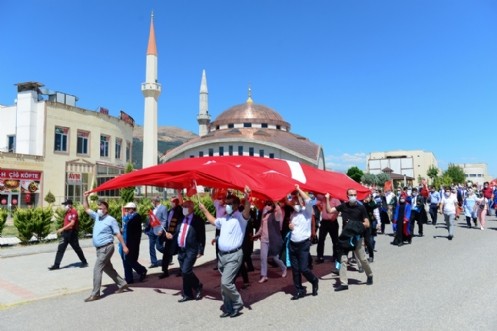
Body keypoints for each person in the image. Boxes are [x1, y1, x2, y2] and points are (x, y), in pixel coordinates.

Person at [199, 186, 251, 318]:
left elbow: (246, 210)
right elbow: (213, 221)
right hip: (222, 256)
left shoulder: (241, 218)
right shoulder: (225, 219)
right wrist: (204, 210)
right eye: (226, 203)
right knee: (224, 284)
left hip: (234, 255)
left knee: (226, 282)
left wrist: (247, 197)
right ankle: (228, 308)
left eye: (229, 203)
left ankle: (238, 303)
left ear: (236, 205)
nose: (226, 205)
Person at [82, 191, 129, 302]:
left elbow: (118, 234)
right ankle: (123, 283)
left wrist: (124, 246)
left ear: (106, 209)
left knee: (97, 269)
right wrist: (85, 197)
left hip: (106, 247)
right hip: (99, 249)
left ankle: (96, 294)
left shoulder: (111, 220)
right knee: (108, 268)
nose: (99, 210)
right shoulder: (97, 217)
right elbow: (86, 208)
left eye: (102, 208)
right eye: (98, 208)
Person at [325, 189, 373, 292]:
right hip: (345, 238)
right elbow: (329, 211)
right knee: (343, 260)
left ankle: (370, 275)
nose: (353, 196)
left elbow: (367, 223)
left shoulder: (361, 208)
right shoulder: (343, 206)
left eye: (355, 195)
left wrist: (352, 224)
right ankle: (344, 283)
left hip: (357, 238)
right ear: (347, 196)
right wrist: (327, 199)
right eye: (351, 195)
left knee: (363, 259)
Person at [169, 200, 205, 302]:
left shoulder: (198, 220)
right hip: (181, 249)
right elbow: (178, 232)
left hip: (191, 249)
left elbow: (202, 236)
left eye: (186, 206)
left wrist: (201, 250)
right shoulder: (181, 219)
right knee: (184, 273)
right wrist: (170, 235)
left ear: (192, 207)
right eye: (183, 206)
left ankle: (197, 286)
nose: (183, 208)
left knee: (186, 271)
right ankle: (188, 294)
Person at [287, 185, 319, 300]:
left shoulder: (307, 211)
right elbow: (292, 225)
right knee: (295, 270)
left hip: (303, 244)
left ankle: (314, 280)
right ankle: (299, 290)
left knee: (303, 268)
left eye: (297, 202)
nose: (295, 204)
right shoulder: (293, 214)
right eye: (293, 202)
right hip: (293, 243)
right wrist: (290, 226)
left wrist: (299, 189)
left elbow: (309, 201)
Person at [48, 199, 88, 270]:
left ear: (69, 205)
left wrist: (62, 229)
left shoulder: (73, 212)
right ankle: (56, 265)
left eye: (65, 205)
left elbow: (72, 223)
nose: (64, 206)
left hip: (72, 233)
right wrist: (63, 230)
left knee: (76, 248)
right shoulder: (67, 213)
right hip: (65, 233)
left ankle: (84, 262)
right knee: (60, 248)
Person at [253, 200, 287, 283]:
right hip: (264, 240)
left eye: (268, 205)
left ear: (272, 207)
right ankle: (264, 275)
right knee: (263, 258)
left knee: (275, 257)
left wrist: (275, 202)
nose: (266, 207)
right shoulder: (264, 215)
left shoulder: (276, 215)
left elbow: (278, 211)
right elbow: (261, 227)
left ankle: (283, 268)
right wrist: (256, 235)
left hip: (273, 240)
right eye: (266, 205)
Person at [119, 202, 147, 284]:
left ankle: (142, 270)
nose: (126, 210)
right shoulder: (127, 217)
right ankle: (129, 278)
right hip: (124, 240)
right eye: (125, 209)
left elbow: (132, 228)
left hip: (132, 242)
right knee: (125, 260)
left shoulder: (136, 217)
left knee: (130, 259)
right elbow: (125, 226)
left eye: (127, 209)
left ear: (132, 209)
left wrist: (126, 222)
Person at [158, 195, 182, 279]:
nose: (172, 203)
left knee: (180, 253)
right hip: (168, 235)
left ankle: (182, 270)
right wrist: (166, 233)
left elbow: (180, 224)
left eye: (174, 201)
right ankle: (165, 271)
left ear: (177, 202)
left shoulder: (180, 210)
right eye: (171, 201)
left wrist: (174, 235)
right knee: (166, 253)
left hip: (176, 235)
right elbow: (167, 223)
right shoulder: (170, 211)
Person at [315, 194, 341, 264]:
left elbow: (338, 210)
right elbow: (317, 201)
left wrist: (334, 216)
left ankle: (335, 256)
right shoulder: (323, 198)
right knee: (321, 239)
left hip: (332, 222)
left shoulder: (336, 199)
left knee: (335, 240)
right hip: (324, 222)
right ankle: (320, 256)